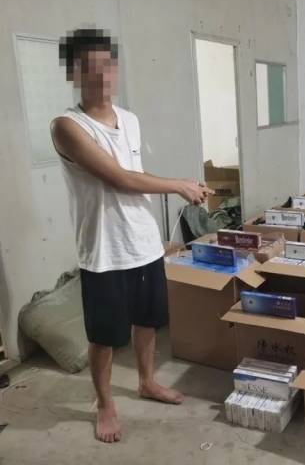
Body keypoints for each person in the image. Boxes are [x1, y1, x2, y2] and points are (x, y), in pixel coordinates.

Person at [50, 28, 208, 443]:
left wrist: (182, 184)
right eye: (89, 68)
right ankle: (104, 404)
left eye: (107, 66)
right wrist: (178, 185)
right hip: (104, 250)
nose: (101, 76)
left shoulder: (131, 119)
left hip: (143, 243)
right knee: (104, 337)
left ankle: (146, 381)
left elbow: (133, 173)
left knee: (147, 321)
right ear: (73, 73)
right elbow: (119, 178)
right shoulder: (67, 126)